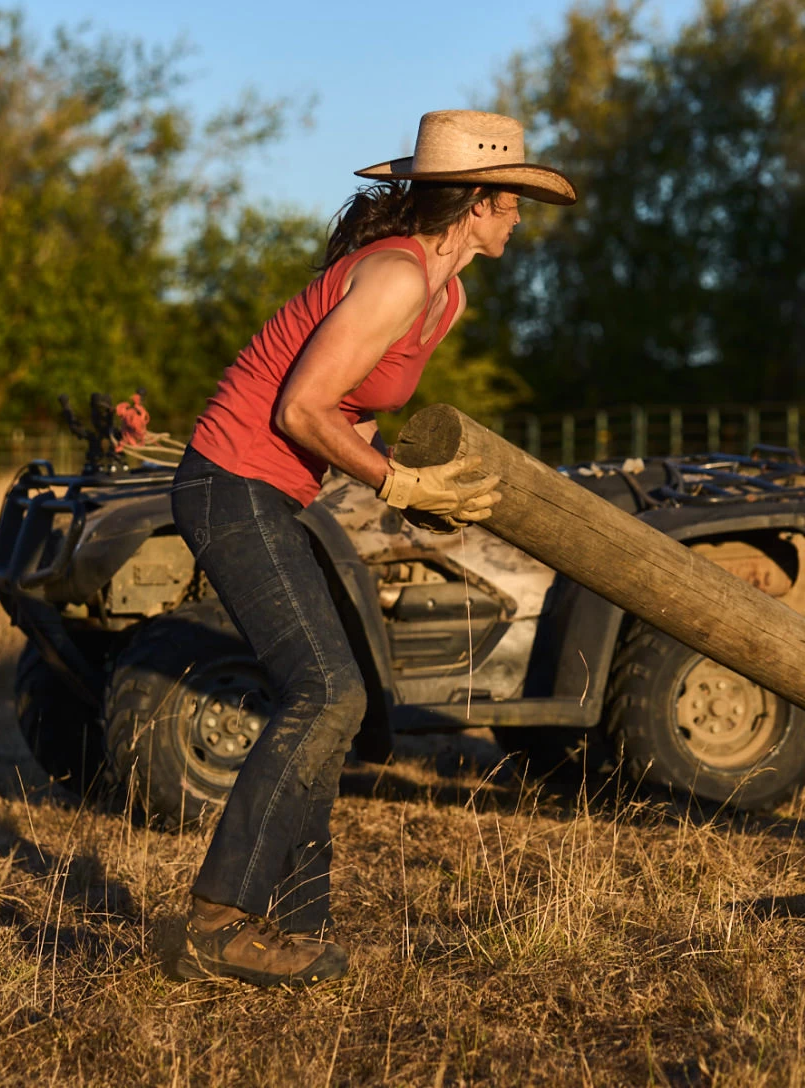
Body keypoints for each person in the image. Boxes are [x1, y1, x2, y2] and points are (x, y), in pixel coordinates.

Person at [170, 110, 576, 988]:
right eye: (513, 202)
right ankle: (215, 921)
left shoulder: (446, 296)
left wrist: (417, 489)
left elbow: (347, 415)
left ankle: (296, 924)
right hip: (228, 481)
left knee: (328, 697)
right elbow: (299, 410)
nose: (520, 220)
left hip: (275, 491)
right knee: (328, 691)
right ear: (478, 201)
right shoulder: (395, 276)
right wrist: (396, 485)